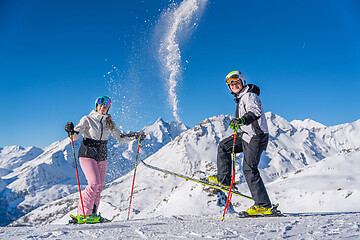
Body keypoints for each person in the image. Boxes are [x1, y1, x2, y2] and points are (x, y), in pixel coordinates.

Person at [65, 96, 145, 223]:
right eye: (100, 106)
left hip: (101, 155)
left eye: (105, 106)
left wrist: (136, 136)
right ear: (96, 106)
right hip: (87, 154)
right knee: (94, 183)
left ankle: (93, 214)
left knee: (99, 187)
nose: (103, 108)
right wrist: (70, 130)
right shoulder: (87, 119)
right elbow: (75, 136)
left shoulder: (109, 123)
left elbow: (120, 137)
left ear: (108, 108)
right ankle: (82, 214)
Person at [209, 71, 273, 215]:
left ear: (242, 81)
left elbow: (254, 112)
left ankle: (263, 205)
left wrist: (242, 120)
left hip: (256, 137)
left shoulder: (250, 96)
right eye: (230, 83)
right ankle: (224, 180)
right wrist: (241, 124)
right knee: (224, 146)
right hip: (246, 135)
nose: (234, 84)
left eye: (236, 81)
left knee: (249, 169)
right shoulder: (242, 97)